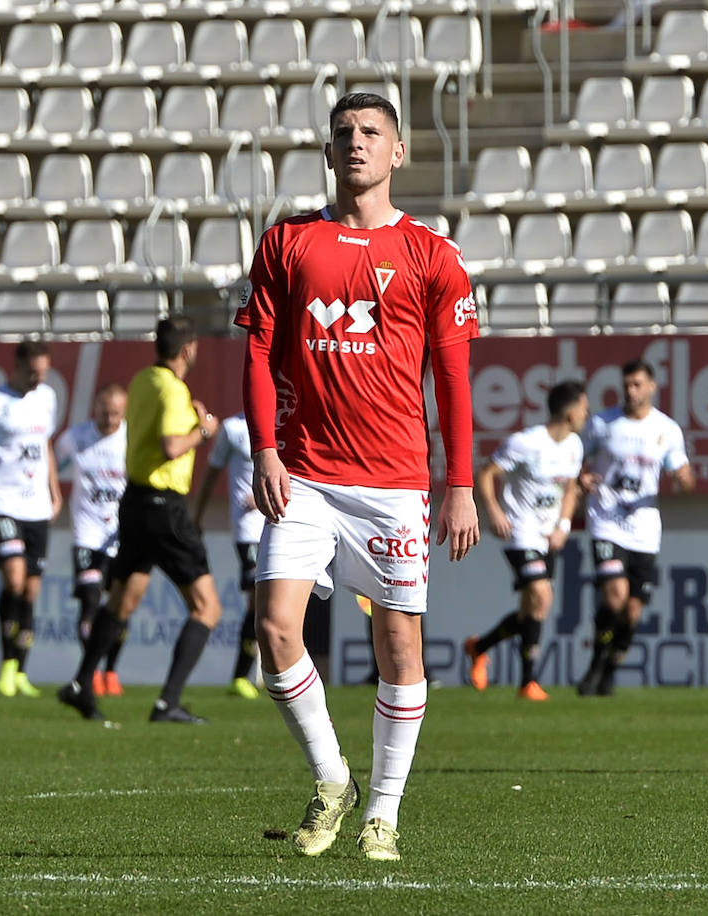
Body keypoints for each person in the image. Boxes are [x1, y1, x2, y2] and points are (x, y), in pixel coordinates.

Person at [235, 91, 479, 862]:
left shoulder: (433, 255)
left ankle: (383, 813)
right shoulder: (287, 243)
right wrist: (264, 450)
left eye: (372, 132)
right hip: (303, 472)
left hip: (392, 482)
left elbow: (453, 377)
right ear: (329, 148)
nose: (356, 142)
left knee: (397, 648)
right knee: (275, 628)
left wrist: (461, 482)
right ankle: (332, 777)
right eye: (343, 132)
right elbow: (256, 355)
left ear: (399, 152)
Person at [57, 316, 224, 725]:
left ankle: (80, 683)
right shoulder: (173, 389)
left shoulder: (141, 381)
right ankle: (167, 702)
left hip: (132, 503)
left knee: (121, 601)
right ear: (187, 350)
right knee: (207, 609)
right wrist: (202, 431)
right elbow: (171, 446)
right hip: (164, 506)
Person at [464, 380, 588, 701]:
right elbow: (486, 473)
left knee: (530, 609)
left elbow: (571, 488)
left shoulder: (574, 445)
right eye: (584, 408)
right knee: (542, 596)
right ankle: (528, 683)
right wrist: (493, 510)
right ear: (572, 412)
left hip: (548, 536)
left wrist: (563, 525)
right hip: (520, 532)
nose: (587, 414)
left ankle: (480, 647)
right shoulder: (526, 442)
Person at [577, 359, 694, 697]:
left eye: (637, 384)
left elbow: (681, 474)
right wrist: (581, 478)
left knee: (633, 610)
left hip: (644, 529)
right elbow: (576, 460)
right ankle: (595, 666)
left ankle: (611, 668)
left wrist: (685, 480)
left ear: (652, 387)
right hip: (606, 523)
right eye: (627, 384)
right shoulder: (603, 424)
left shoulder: (666, 430)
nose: (631, 391)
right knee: (614, 595)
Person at [0, 340, 62, 698]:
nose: (38, 378)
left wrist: (54, 488)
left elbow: (45, 444)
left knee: (31, 589)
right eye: (33, 372)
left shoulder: (46, 397)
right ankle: (5, 664)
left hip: (36, 507)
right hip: (0, 502)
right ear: (16, 367)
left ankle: (20, 668)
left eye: (43, 372)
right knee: (14, 577)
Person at [54, 382, 128, 697]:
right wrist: (51, 496)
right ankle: (91, 670)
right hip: (86, 534)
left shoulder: (131, 439)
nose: (109, 420)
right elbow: (49, 464)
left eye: (115, 415)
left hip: (120, 536)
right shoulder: (76, 437)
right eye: (104, 413)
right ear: (95, 409)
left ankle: (110, 671)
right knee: (89, 600)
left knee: (119, 606)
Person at [193, 411, 264, 700]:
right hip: (247, 529)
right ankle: (240, 676)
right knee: (257, 597)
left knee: (268, 604)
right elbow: (212, 471)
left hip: (280, 525)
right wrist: (196, 515)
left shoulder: (285, 423)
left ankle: (268, 673)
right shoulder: (233, 428)